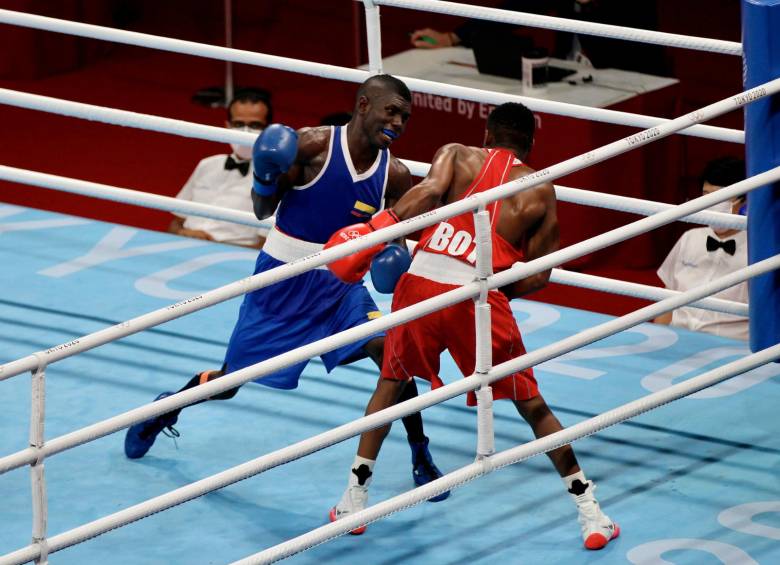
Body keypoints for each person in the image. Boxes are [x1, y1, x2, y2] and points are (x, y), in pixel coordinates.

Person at [124, 74, 448, 498]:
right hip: (282, 279)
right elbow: (263, 210)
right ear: (364, 104)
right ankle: (164, 411)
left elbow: (395, 240)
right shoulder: (311, 145)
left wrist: (394, 258)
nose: (399, 122)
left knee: (392, 359)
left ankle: (419, 452)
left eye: (406, 116)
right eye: (392, 111)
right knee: (229, 384)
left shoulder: (396, 175)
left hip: (341, 286)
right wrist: (263, 177)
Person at [325, 102, 619, 549]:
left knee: (390, 386)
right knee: (533, 406)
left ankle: (354, 500)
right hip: (475, 296)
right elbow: (540, 274)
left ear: (486, 134)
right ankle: (591, 514)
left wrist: (375, 231)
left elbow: (430, 191)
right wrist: (488, 293)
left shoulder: (456, 154)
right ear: (530, 143)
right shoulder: (539, 189)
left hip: (420, 282)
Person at [410, 0, 667, 76]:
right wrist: (453, 37)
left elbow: (633, 40)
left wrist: (593, 6)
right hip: (572, 77)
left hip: (632, 82)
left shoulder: (634, 8)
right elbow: (516, 8)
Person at [655, 157, 748, 340]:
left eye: (720, 196)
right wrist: (659, 339)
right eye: (706, 195)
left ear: (744, 199)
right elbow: (667, 301)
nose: (712, 203)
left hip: (732, 347)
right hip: (677, 338)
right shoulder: (690, 238)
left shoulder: (763, 250)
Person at [168, 88, 273, 249]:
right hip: (181, 248)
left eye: (255, 125)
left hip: (229, 261)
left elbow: (265, 246)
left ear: (268, 131)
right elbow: (175, 223)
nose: (245, 131)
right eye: (238, 124)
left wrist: (213, 246)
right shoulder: (207, 164)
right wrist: (184, 234)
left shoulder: (274, 178)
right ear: (227, 126)